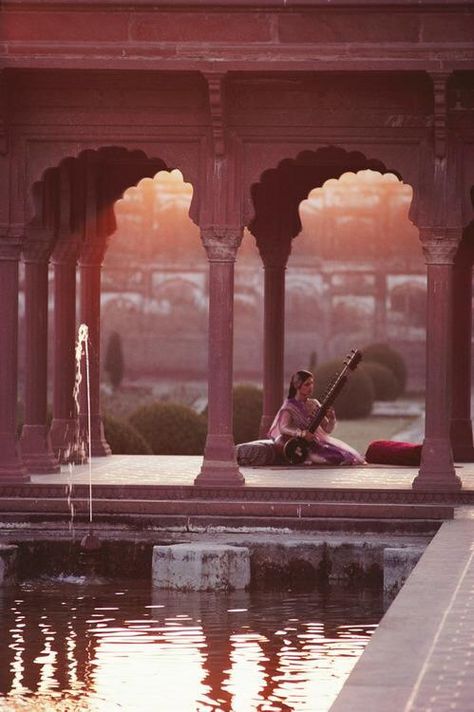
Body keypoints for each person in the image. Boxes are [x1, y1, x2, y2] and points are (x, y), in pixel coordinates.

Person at [268, 369, 365, 465]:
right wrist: (301, 434)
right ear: (297, 385)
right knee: (325, 459)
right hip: (300, 447)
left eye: (312, 383)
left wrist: (331, 418)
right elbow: (283, 427)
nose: (311, 387)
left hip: (317, 444)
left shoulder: (314, 403)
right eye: (307, 384)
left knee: (343, 456)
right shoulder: (289, 406)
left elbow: (327, 429)